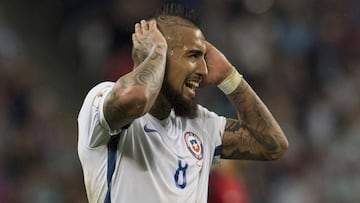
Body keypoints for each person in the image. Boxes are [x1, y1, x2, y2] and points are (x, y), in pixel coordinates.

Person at [77, 3, 288, 203]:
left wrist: (229, 77)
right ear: (157, 54)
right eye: (193, 56)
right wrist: (156, 52)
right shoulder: (101, 100)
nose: (204, 70)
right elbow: (137, 98)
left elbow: (272, 144)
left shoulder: (200, 124)